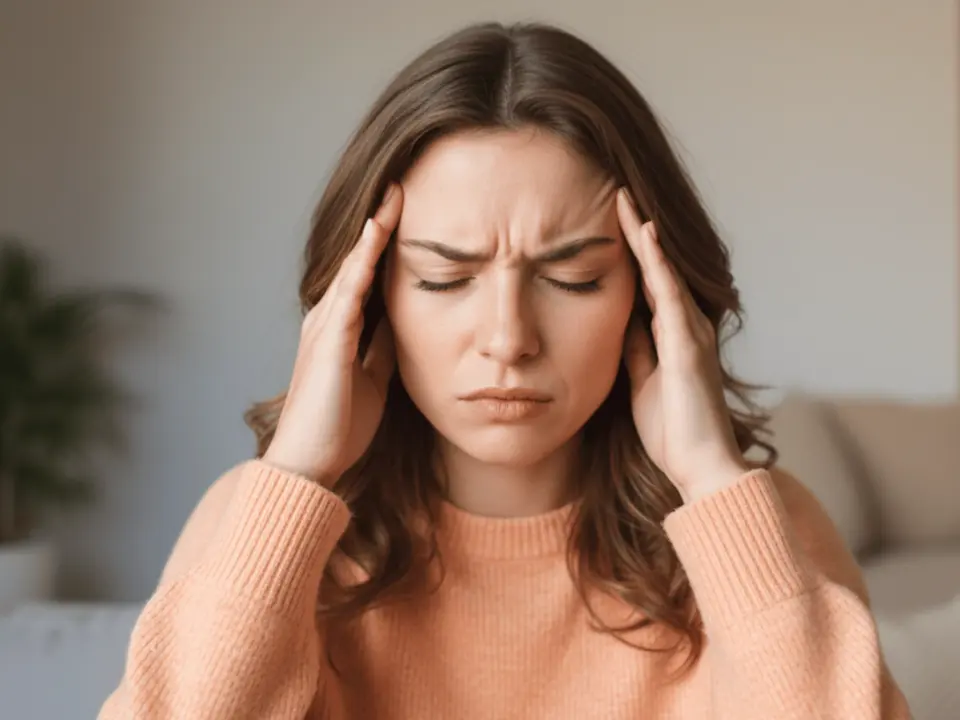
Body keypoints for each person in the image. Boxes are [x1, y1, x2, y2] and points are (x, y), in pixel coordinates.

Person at [100, 21, 910, 719]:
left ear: (649, 296)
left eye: (574, 278)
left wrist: (707, 478)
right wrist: (298, 475)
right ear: (370, 298)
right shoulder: (258, 526)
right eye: (444, 279)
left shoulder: (764, 530)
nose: (508, 338)